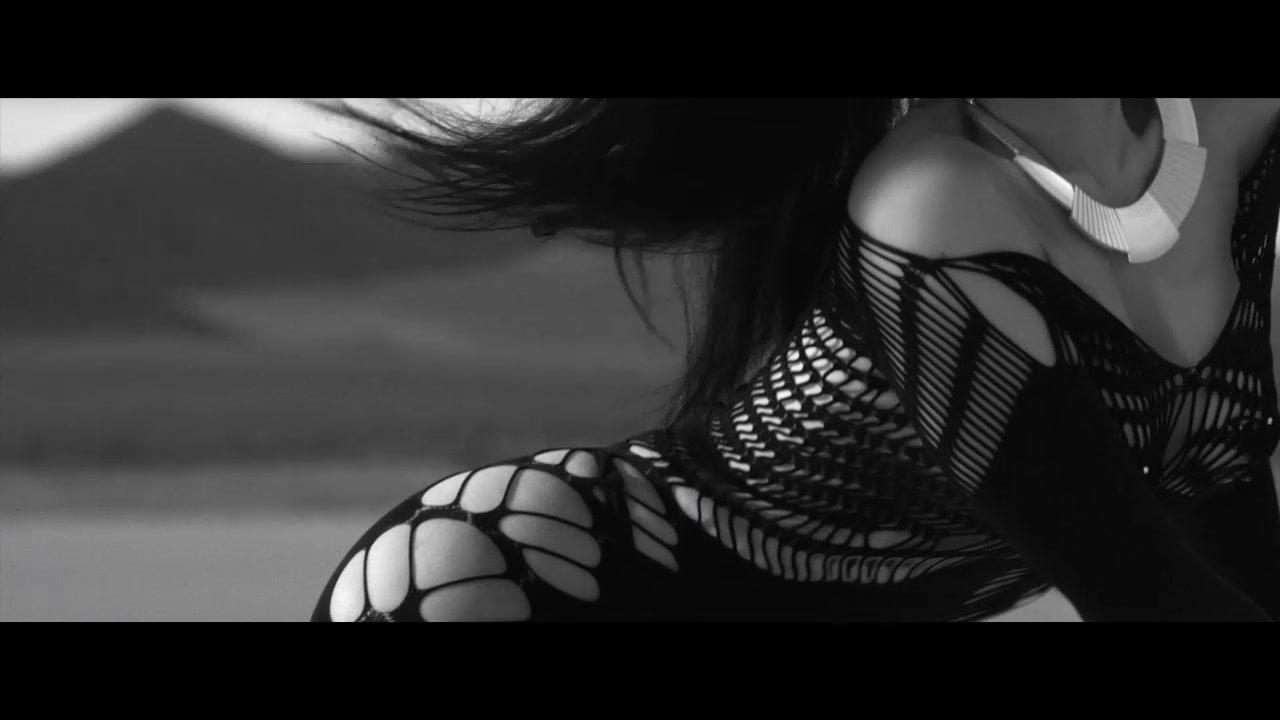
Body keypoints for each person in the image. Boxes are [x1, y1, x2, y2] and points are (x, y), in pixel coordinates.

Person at [311, 98, 1280, 622]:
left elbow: (1228, 537)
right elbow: (1142, 589)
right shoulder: (935, 204)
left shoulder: (1238, 133)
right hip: (559, 580)